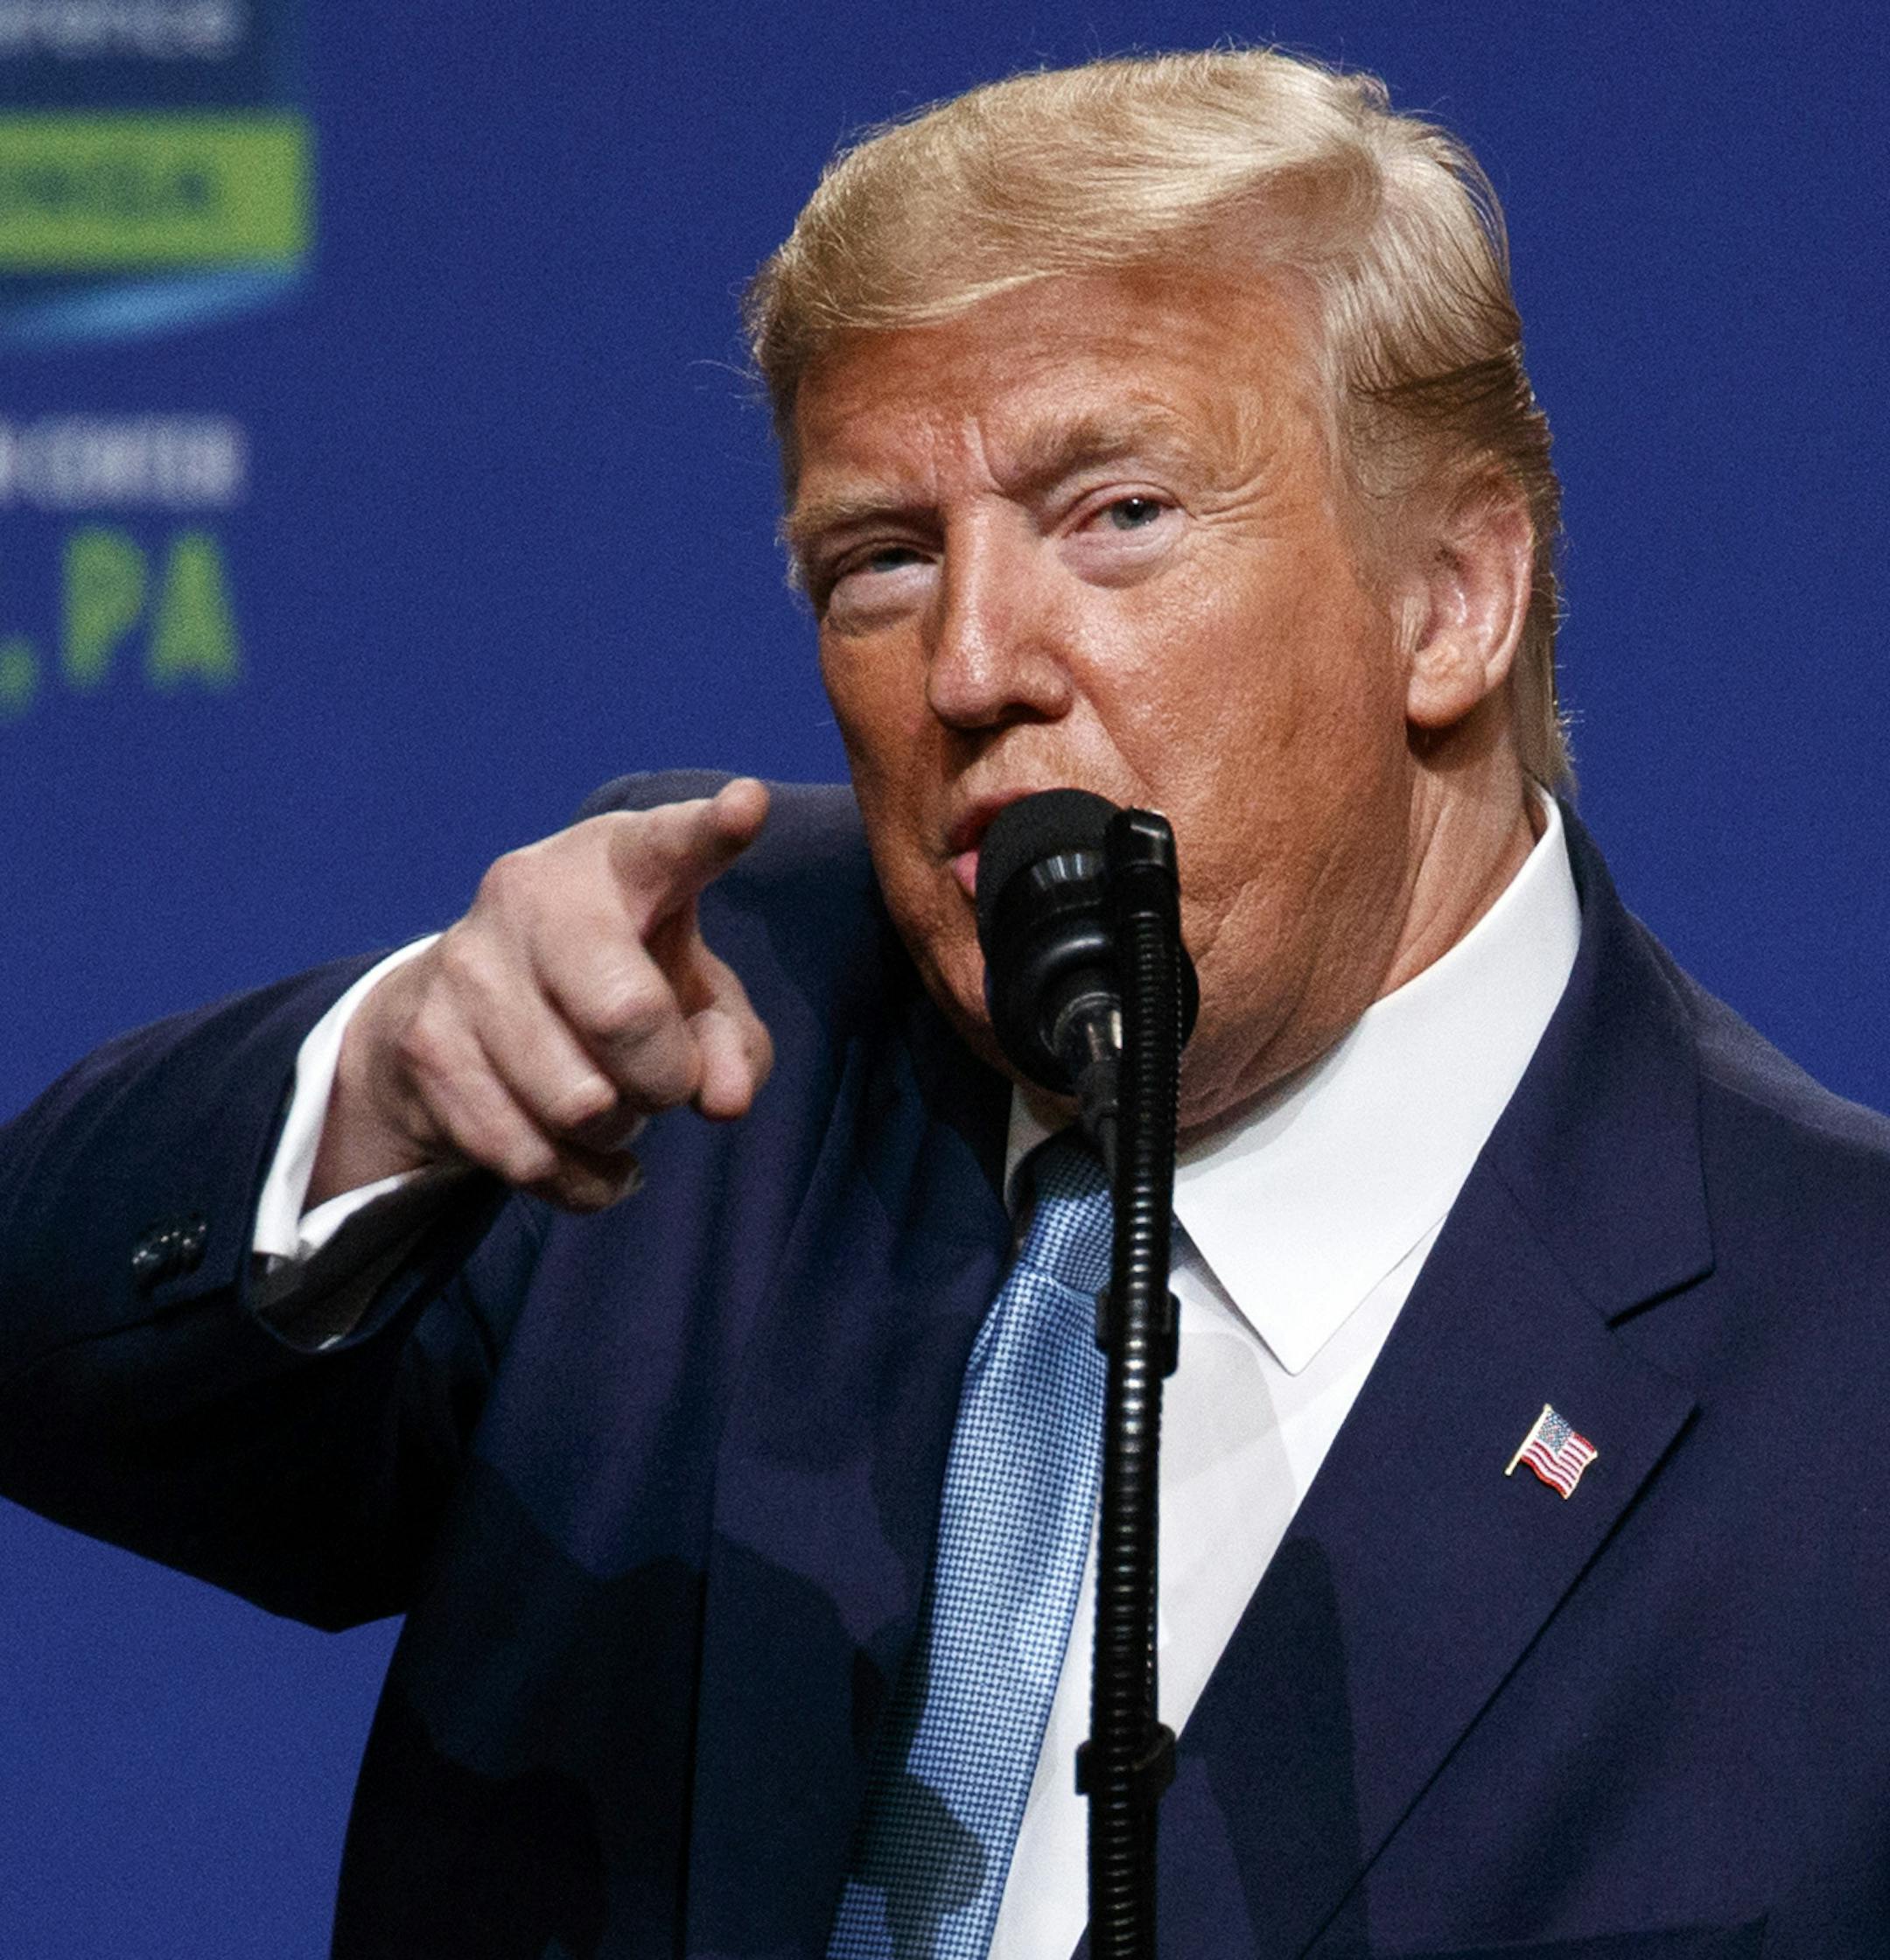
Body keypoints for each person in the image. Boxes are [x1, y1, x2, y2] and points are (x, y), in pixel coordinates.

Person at [1, 46, 1885, 1960]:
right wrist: (394, 1085)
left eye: (1121, 511)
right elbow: (39, 1352)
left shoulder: (1848, 1377)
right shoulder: (703, 1025)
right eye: (882, 559)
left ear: (1455, 598)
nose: (973, 666)